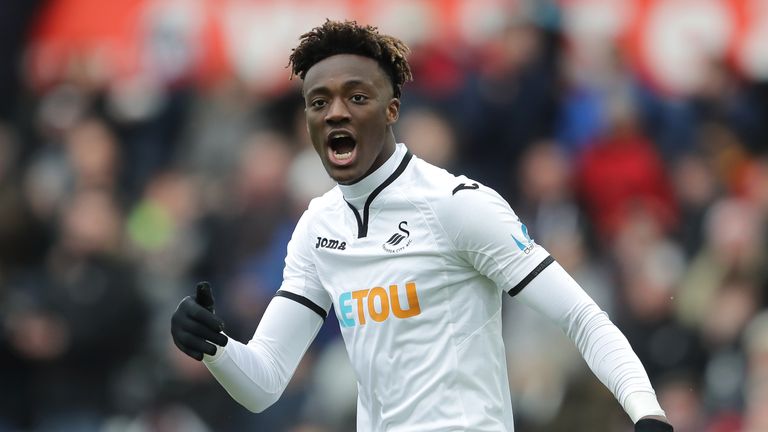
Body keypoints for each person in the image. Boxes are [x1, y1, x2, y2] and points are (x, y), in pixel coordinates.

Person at [171, 20, 674, 431]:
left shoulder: (456, 206)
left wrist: (645, 410)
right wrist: (214, 346)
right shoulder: (317, 226)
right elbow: (264, 384)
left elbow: (583, 319)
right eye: (319, 102)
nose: (336, 112)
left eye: (357, 97)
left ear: (392, 110)